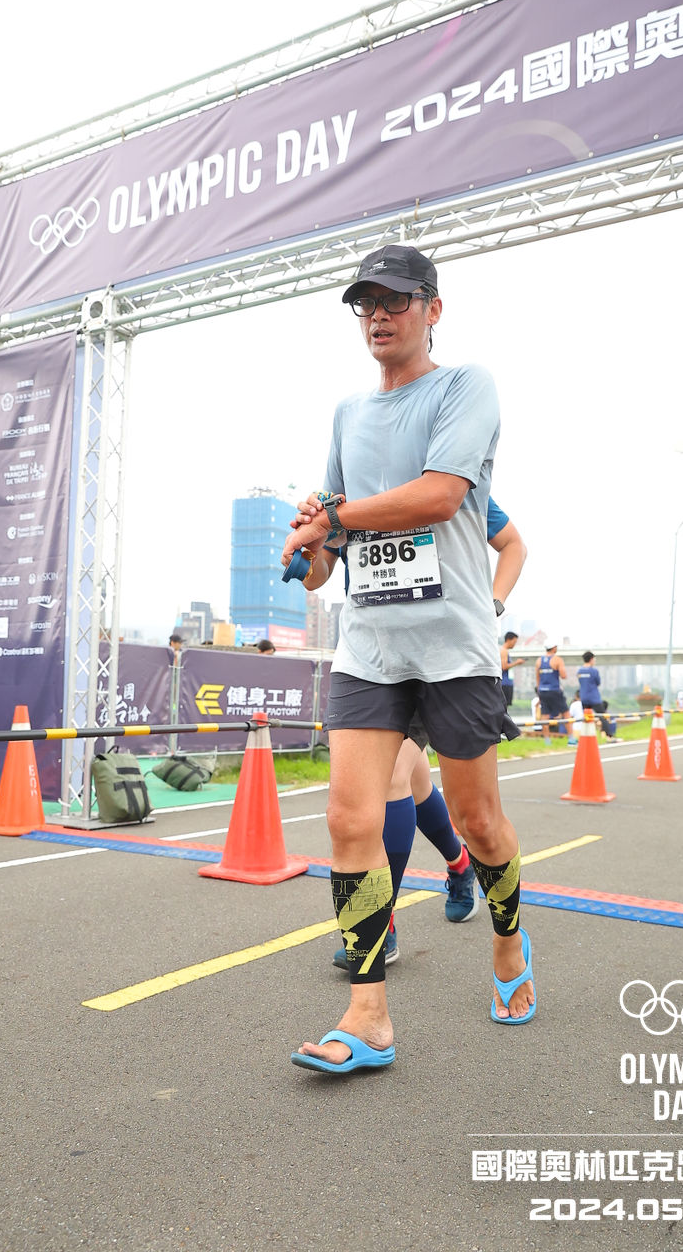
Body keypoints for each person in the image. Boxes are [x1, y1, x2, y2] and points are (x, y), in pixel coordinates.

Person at [281, 244, 535, 1075]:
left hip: (454, 647)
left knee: (477, 822)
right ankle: (368, 1015)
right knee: (348, 819)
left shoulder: (464, 386)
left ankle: (507, 941)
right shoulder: (346, 413)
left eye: (395, 300)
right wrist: (311, 544)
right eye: (366, 303)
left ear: (432, 308)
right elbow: (326, 564)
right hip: (370, 648)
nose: (378, 316)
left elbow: (438, 495)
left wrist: (335, 517)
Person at [302, 494, 527, 962]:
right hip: (374, 659)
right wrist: (310, 551)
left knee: (459, 810)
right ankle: (443, 876)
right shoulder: (346, 494)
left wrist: (493, 603)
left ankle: (494, 926)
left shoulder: (449, 481)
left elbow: (513, 545)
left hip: (446, 658)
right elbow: (317, 575)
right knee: (408, 780)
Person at [577, 650, 618, 740]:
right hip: (594, 697)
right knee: (602, 716)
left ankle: (586, 736)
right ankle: (609, 736)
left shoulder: (579, 671)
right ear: (591, 659)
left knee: (586, 717)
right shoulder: (594, 671)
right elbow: (598, 682)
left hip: (584, 697)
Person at [536, 639, 572, 743]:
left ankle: (547, 740)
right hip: (554, 690)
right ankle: (571, 738)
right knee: (566, 713)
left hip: (542, 691)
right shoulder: (557, 659)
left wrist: (539, 692)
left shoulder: (539, 660)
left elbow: (537, 678)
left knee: (545, 715)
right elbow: (563, 675)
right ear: (554, 648)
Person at [500, 631, 524, 709]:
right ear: (508, 640)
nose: (514, 644)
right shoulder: (503, 651)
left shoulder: (505, 651)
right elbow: (504, 666)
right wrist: (517, 662)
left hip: (507, 683)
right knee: (503, 707)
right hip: (505, 683)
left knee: (505, 707)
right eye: (514, 642)